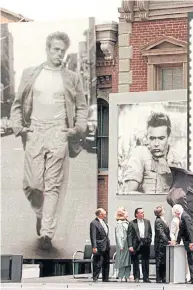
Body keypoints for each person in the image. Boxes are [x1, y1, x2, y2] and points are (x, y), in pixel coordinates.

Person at [10, 31, 88, 250]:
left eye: (63, 50)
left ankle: (47, 233)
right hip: (35, 131)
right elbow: (17, 104)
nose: (59, 54)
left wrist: (76, 129)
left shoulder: (72, 77)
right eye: (55, 49)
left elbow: (81, 107)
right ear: (47, 49)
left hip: (59, 133)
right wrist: (20, 128)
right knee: (33, 184)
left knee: (53, 185)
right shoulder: (30, 74)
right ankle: (39, 213)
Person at [123, 112, 182, 193]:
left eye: (161, 138)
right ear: (147, 137)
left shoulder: (177, 157)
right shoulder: (140, 153)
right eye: (152, 138)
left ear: (169, 137)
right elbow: (129, 192)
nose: (156, 144)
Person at [173, 204, 193, 284]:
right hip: (188, 242)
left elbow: (189, 230)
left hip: (190, 242)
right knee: (190, 260)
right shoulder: (183, 217)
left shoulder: (185, 217)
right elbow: (181, 231)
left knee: (192, 261)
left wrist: (192, 242)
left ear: (177, 212)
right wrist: (177, 241)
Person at [127, 208, 152, 282]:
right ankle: (136, 277)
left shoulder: (147, 222)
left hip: (145, 243)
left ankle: (146, 277)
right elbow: (129, 235)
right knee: (135, 261)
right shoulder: (132, 223)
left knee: (145, 261)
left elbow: (150, 232)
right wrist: (130, 245)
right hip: (136, 244)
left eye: (143, 212)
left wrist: (149, 240)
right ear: (136, 214)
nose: (142, 214)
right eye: (141, 213)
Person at [90, 208, 110, 282]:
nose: (105, 215)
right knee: (98, 263)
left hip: (106, 245)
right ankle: (95, 277)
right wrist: (94, 246)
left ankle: (105, 278)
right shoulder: (94, 223)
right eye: (104, 213)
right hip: (99, 246)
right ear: (100, 214)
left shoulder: (104, 222)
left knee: (106, 262)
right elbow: (93, 236)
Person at [169, 213, 191, 281]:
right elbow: (172, 232)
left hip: (185, 241)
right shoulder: (174, 221)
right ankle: (182, 276)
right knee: (181, 260)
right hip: (179, 242)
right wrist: (174, 240)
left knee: (186, 260)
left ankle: (187, 275)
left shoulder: (183, 219)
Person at [154, 206, 170, 283]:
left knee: (163, 261)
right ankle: (158, 277)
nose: (164, 210)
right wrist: (167, 240)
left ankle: (163, 277)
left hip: (163, 243)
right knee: (159, 261)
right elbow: (161, 232)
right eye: (163, 209)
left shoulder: (163, 219)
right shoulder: (158, 221)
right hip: (160, 244)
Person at [114, 207, 131, 282]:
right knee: (122, 260)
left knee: (128, 260)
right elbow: (119, 235)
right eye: (126, 212)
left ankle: (127, 275)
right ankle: (121, 275)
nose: (127, 213)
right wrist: (121, 245)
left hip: (128, 244)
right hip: (123, 245)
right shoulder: (120, 223)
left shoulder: (127, 222)